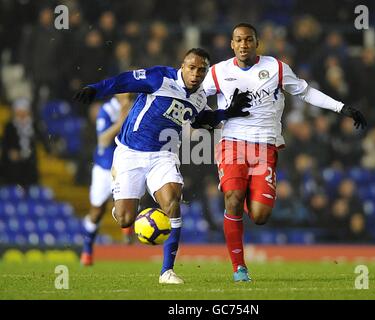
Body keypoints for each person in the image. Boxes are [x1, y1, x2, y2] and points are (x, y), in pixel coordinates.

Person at [202, 23, 367, 282]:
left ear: (257, 43)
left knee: (259, 216)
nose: (243, 45)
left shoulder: (276, 68)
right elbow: (194, 98)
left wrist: (341, 107)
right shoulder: (217, 72)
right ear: (231, 44)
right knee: (232, 197)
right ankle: (239, 268)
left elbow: (306, 92)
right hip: (232, 142)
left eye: (248, 40)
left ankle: (245, 192)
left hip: (265, 147)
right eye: (238, 40)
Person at [74, 48, 251, 284]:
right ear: (182, 66)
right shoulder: (160, 78)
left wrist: (227, 113)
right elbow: (122, 81)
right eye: (192, 67)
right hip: (130, 153)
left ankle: (166, 271)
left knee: (172, 202)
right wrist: (95, 89)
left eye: (202, 70)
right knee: (126, 218)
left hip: (163, 156)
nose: (196, 73)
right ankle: (122, 205)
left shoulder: (198, 97)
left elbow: (201, 120)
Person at [80, 93, 133, 266]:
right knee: (97, 212)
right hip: (104, 167)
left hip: (126, 164)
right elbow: (102, 140)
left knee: (132, 201)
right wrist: (120, 123)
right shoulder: (107, 110)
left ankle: (128, 228)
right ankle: (87, 249)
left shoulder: (139, 104)